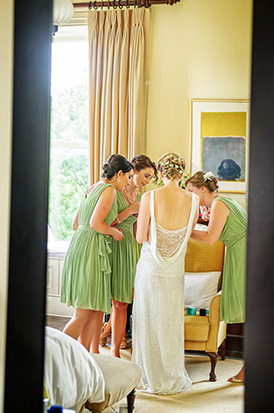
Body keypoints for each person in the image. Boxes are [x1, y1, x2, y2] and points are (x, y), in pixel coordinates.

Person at [132, 153, 199, 394]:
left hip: (150, 269)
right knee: (170, 322)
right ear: (181, 174)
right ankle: (171, 375)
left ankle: (148, 374)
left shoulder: (150, 196)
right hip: (174, 272)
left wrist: (150, 229)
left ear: (160, 173)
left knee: (149, 319)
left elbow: (141, 238)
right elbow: (187, 234)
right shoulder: (193, 200)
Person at [60, 154, 133, 353]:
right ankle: (54, 357)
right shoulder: (109, 191)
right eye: (127, 177)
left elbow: (76, 224)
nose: (128, 183)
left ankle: (83, 362)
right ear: (119, 174)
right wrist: (114, 233)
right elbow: (96, 223)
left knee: (93, 311)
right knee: (83, 313)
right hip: (91, 251)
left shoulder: (93, 187)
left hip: (81, 247)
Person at [187, 170, 247, 383]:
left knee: (248, 312)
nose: (189, 195)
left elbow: (211, 238)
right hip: (238, 252)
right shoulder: (223, 202)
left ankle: (248, 370)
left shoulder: (220, 205)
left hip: (242, 255)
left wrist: (185, 230)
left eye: (191, 191)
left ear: (202, 189)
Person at [100, 154, 157, 357]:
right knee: (117, 302)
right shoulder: (114, 191)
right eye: (146, 175)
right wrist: (131, 210)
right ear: (134, 171)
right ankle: (113, 348)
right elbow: (108, 221)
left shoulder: (141, 198)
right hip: (114, 246)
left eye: (150, 178)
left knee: (124, 301)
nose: (147, 181)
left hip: (131, 250)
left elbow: (137, 232)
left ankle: (112, 343)